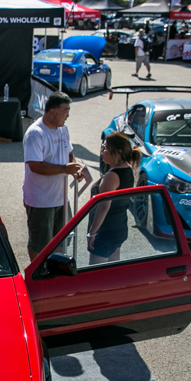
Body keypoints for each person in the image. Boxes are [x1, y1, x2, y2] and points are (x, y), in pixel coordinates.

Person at [22, 92, 89, 261]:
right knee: (39, 244)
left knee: (63, 239)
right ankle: (37, 276)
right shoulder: (35, 133)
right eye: (65, 110)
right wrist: (65, 169)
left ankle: (56, 272)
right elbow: (35, 166)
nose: (68, 115)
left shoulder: (63, 129)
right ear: (53, 112)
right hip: (41, 200)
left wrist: (75, 169)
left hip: (61, 198)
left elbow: (69, 153)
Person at [85, 132, 140, 264]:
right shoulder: (128, 170)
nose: (102, 151)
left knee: (96, 276)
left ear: (118, 152)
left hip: (105, 231)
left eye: (105, 148)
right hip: (118, 227)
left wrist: (92, 232)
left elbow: (104, 206)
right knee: (111, 273)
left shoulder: (112, 176)